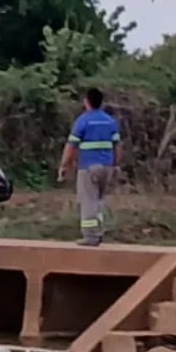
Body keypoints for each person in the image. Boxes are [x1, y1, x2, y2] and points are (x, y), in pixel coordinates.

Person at [58, 87, 120, 247]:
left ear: (86, 102)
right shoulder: (110, 121)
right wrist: (116, 165)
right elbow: (117, 145)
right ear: (101, 102)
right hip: (107, 167)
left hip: (88, 167)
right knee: (99, 200)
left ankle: (90, 236)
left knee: (88, 201)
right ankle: (99, 232)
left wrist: (64, 166)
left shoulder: (83, 121)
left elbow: (71, 146)